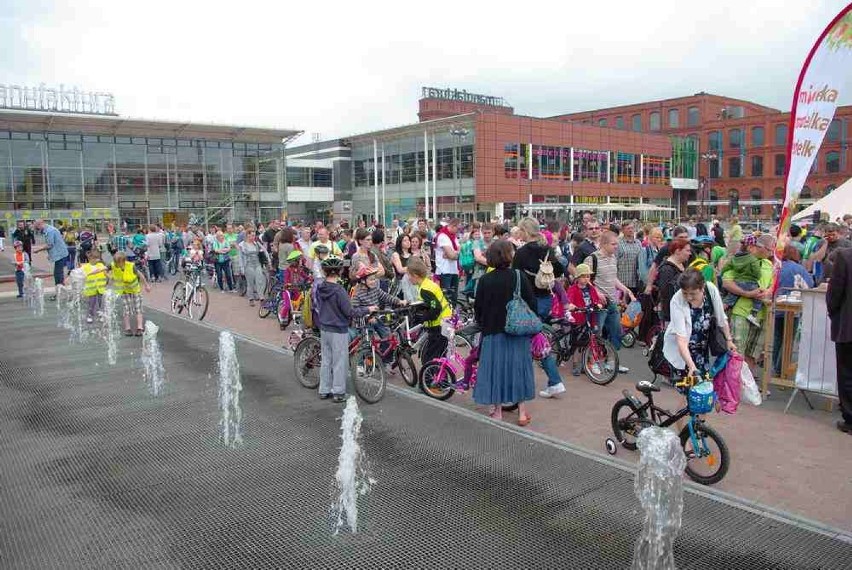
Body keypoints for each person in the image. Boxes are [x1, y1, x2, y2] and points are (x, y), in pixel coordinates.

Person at [473, 240, 535, 426]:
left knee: (496, 371)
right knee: (519, 370)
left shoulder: (485, 280)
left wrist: (485, 324)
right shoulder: (519, 276)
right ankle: (522, 413)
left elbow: (479, 308)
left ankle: (498, 411)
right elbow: (531, 303)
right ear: (509, 256)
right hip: (517, 332)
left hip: (493, 332)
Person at [512, 217, 567, 397]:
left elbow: (515, 277)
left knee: (529, 342)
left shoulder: (521, 253)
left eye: (520, 229)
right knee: (536, 339)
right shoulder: (547, 249)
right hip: (545, 300)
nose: (518, 232)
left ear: (525, 231)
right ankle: (553, 381)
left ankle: (536, 382)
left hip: (529, 302)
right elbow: (559, 270)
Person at [663, 269, 736, 380]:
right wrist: (691, 365)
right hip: (684, 351)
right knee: (689, 388)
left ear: (702, 288)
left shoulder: (710, 290)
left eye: (693, 293)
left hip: (704, 348)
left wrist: (729, 340)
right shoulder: (677, 300)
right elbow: (681, 339)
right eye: (685, 293)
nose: (688, 297)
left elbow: (721, 318)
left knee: (705, 386)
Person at [316, 256, 367, 403]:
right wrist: (367, 309)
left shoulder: (321, 287)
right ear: (339, 271)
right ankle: (338, 392)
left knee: (326, 360)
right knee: (339, 361)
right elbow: (350, 312)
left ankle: (324, 389)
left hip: (324, 328)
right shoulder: (339, 291)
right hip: (338, 329)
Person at [722, 233, 774, 370]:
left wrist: (767, 292)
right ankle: (733, 386)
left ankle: (747, 386)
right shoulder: (741, 260)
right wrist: (747, 293)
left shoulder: (769, 264)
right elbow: (727, 282)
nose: (771, 253)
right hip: (741, 312)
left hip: (761, 313)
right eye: (769, 249)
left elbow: (772, 284)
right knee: (737, 351)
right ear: (758, 247)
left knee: (753, 353)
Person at [584, 230, 634, 372]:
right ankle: (592, 361)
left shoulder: (613, 258)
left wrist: (625, 289)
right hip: (598, 303)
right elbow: (585, 280)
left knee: (616, 331)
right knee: (596, 332)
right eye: (613, 244)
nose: (616, 247)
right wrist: (597, 293)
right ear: (604, 244)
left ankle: (611, 361)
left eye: (617, 244)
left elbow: (613, 279)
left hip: (611, 301)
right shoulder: (592, 259)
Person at [772, 245, 813, 376]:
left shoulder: (775, 266)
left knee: (777, 337)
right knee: (788, 339)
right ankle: (781, 368)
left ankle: (776, 366)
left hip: (775, 305)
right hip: (793, 307)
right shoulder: (799, 269)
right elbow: (809, 285)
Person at [406, 257, 452, 366]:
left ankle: (430, 380)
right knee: (440, 355)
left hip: (439, 325)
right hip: (445, 320)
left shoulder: (425, 289)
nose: (408, 278)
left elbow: (435, 308)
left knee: (430, 357)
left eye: (409, 275)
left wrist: (423, 318)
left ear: (415, 275)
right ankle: (440, 379)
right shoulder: (427, 283)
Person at [826, 246, 852, 434]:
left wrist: (834, 313)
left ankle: (850, 418)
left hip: (848, 327)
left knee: (847, 374)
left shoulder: (845, 256)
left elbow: (834, 293)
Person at [566, 263, 604, 376]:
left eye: (588, 276)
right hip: (578, 318)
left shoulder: (590, 288)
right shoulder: (573, 289)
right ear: (577, 277)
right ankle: (575, 363)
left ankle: (587, 363)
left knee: (589, 341)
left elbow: (596, 300)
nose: (586, 279)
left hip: (590, 317)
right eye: (584, 276)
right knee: (577, 342)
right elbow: (569, 301)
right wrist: (572, 307)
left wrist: (598, 304)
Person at [720, 235, 765, 327]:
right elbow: (757, 273)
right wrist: (757, 277)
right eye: (755, 247)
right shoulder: (753, 259)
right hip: (751, 282)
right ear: (750, 247)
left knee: (730, 298)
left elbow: (726, 268)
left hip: (738, 282)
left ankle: (719, 312)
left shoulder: (735, 257)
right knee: (758, 296)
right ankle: (753, 314)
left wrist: (722, 272)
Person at [110, 251, 151, 336]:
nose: (117, 265)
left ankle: (140, 328)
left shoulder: (131, 266)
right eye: (116, 263)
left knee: (138, 308)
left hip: (135, 290)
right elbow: (103, 268)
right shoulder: (114, 265)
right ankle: (127, 328)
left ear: (124, 261)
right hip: (124, 291)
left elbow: (141, 275)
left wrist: (146, 285)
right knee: (126, 309)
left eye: (119, 263)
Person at [654, 239, 691, 324]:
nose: (690, 253)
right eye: (687, 250)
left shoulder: (683, 264)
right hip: (672, 315)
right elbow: (666, 294)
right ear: (678, 251)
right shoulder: (667, 269)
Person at [32, 219, 69, 294]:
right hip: (59, 253)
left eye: (37, 227)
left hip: (60, 254)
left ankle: (59, 292)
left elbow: (50, 245)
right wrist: (50, 255)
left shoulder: (49, 231)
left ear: (40, 224)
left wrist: (38, 250)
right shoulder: (49, 229)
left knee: (58, 274)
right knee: (58, 273)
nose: (37, 230)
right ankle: (60, 290)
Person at [434, 219, 461, 307]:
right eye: (458, 228)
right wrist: (455, 254)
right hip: (444, 271)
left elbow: (458, 251)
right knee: (446, 298)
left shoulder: (454, 237)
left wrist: (454, 253)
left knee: (453, 298)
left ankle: (453, 318)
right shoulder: (442, 236)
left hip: (454, 270)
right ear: (453, 226)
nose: (458, 230)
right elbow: (452, 255)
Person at [238, 229, 268, 307]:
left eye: (254, 235)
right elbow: (240, 257)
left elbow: (264, 251)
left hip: (257, 264)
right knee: (250, 282)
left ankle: (261, 298)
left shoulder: (256, 243)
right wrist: (242, 268)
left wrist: (268, 259)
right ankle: (251, 298)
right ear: (247, 235)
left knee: (260, 281)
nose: (253, 237)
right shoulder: (242, 245)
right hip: (248, 265)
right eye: (251, 235)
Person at [81, 249, 108, 324]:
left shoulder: (101, 265)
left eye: (98, 258)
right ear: (90, 258)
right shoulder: (85, 267)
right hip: (91, 288)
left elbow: (105, 273)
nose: (98, 260)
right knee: (91, 302)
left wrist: (109, 277)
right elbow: (82, 275)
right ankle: (90, 315)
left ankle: (101, 314)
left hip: (100, 288)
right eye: (96, 258)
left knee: (101, 302)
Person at [617, 220, 643, 296]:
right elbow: (614, 262)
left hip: (636, 281)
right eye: (628, 228)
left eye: (632, 228)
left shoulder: (638, 243)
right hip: (623, 281)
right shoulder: (618, 243)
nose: (631, 230)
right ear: (623, 230)